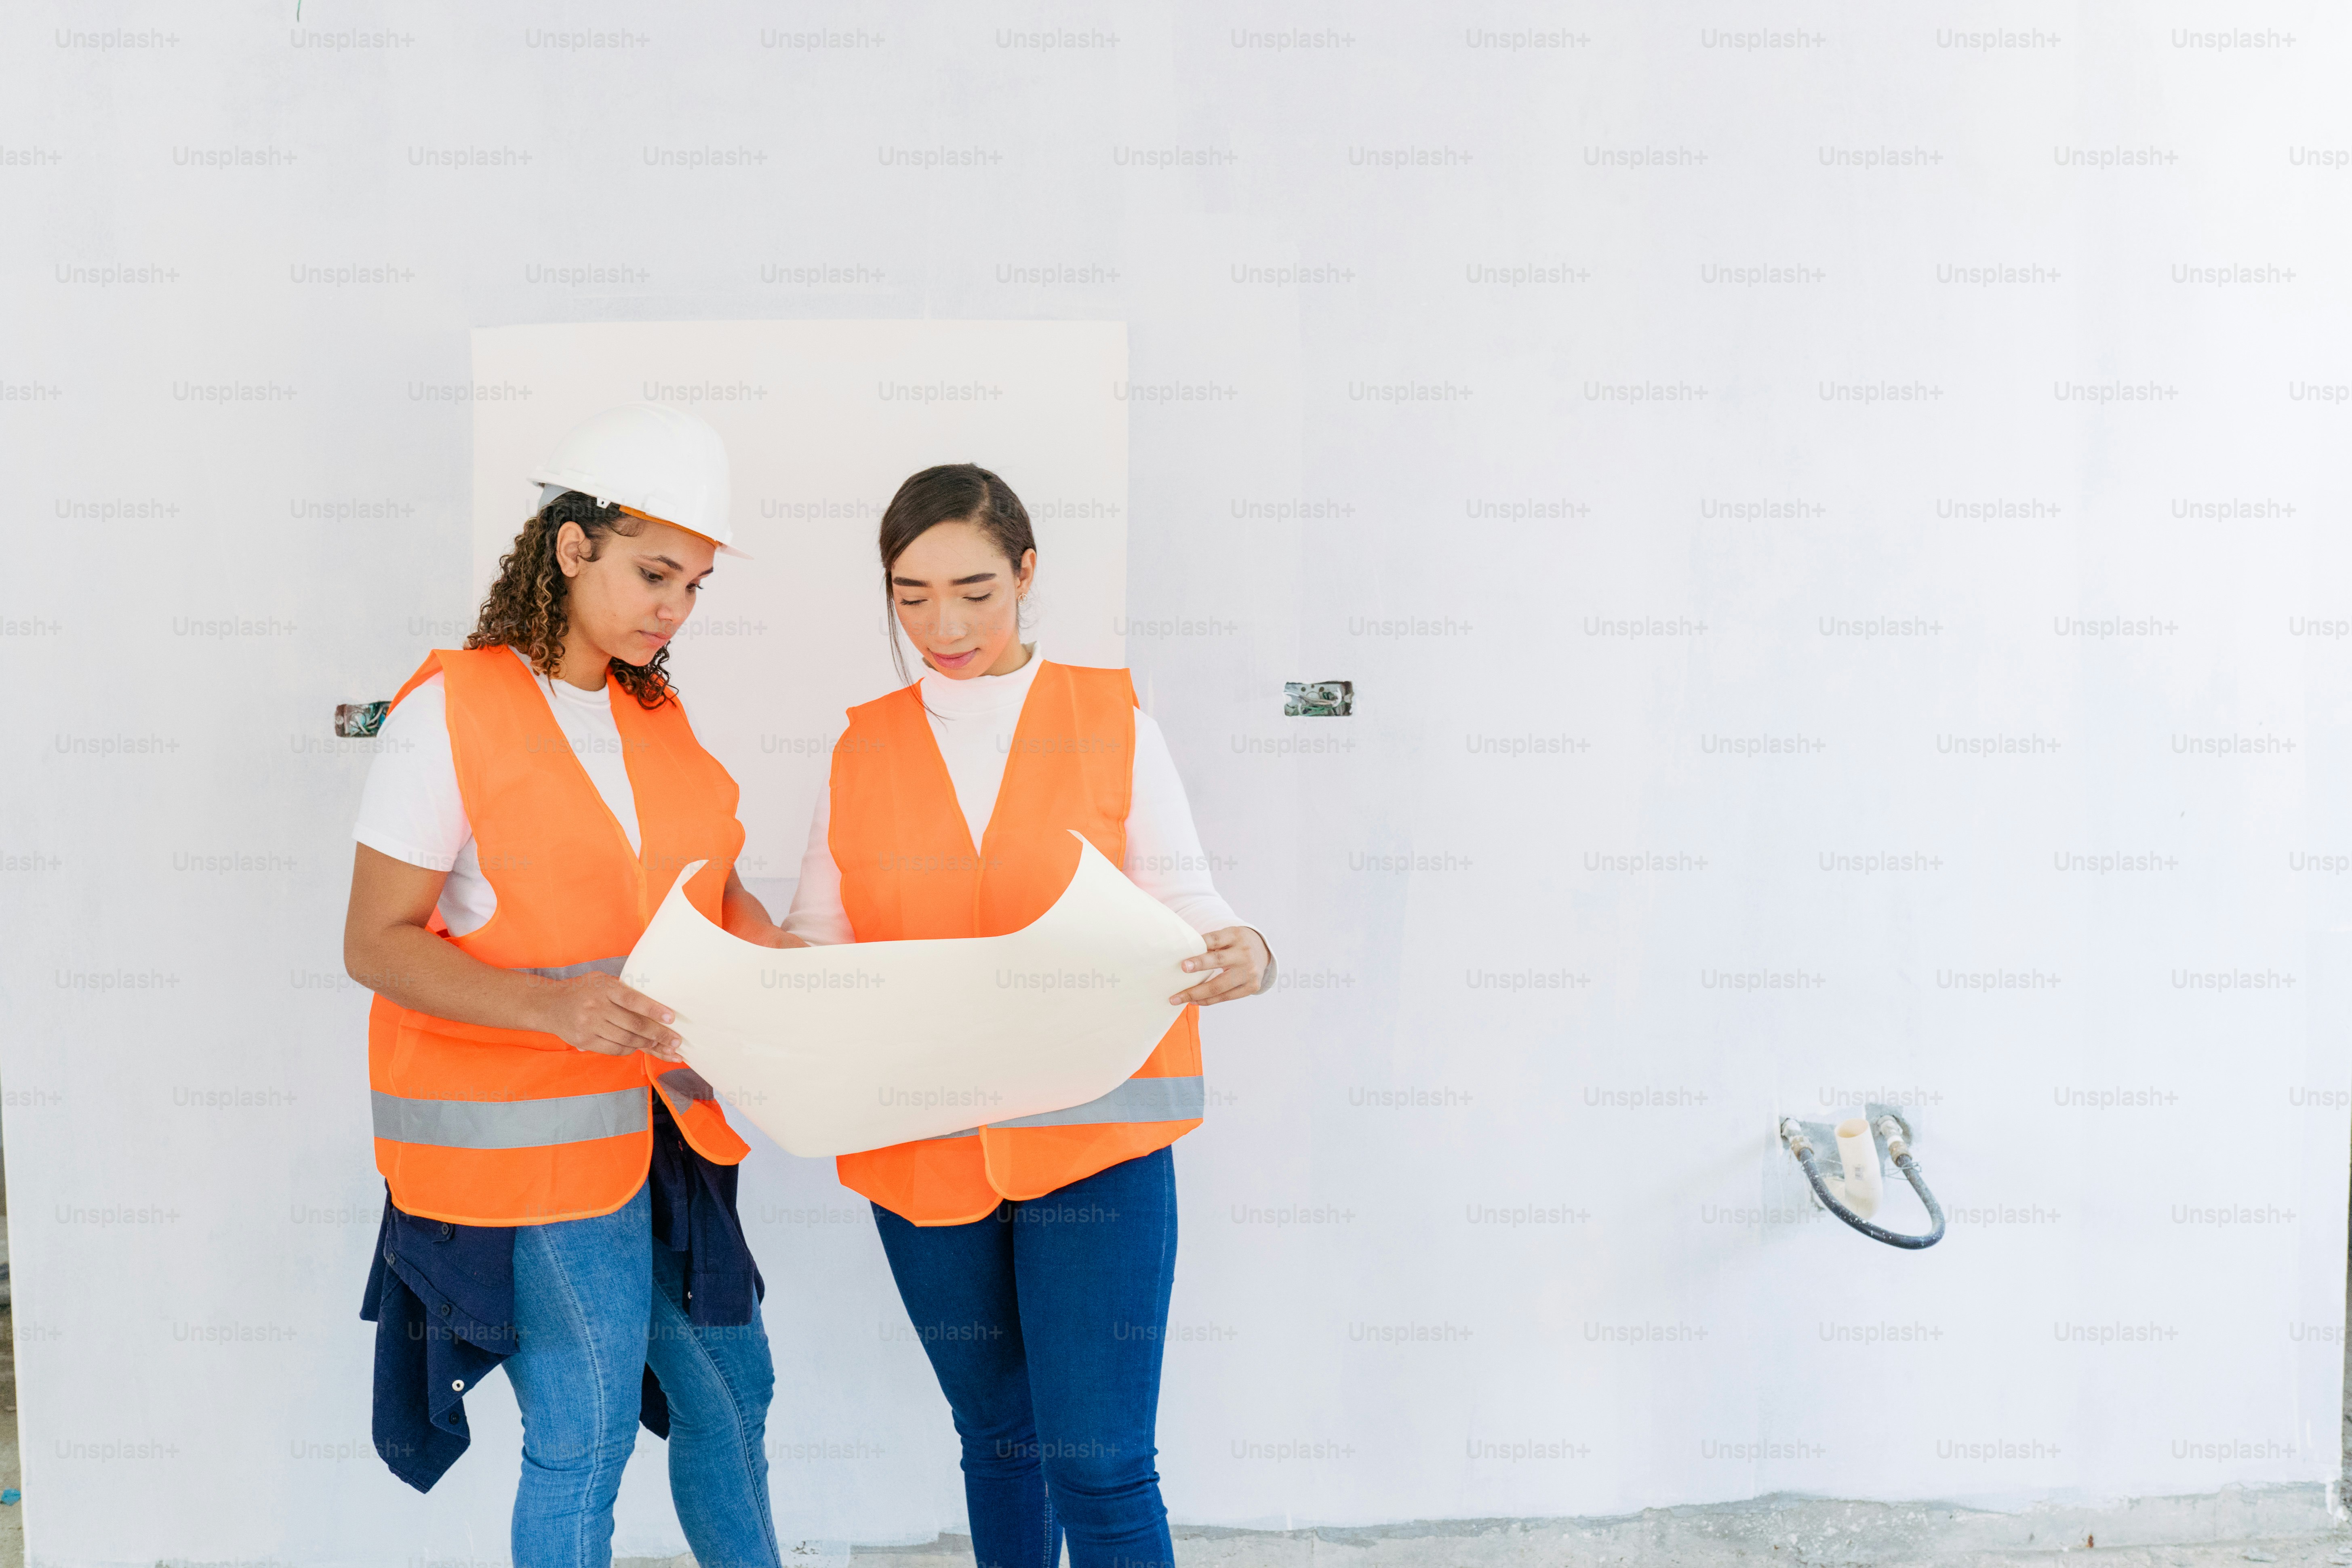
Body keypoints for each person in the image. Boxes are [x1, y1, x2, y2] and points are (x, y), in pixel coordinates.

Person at [783, 464, 1274, 1568]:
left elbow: (1191, 901)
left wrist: (1250, 949)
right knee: (1000, 1440)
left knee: (1099, 1459)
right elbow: (821, 936)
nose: (941, 625)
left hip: (1097, 1140)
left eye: (973, 590)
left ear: (1028, 574)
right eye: (910, 596)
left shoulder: (1111, 717)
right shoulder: (861, 745)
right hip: (923, 1149)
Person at [343, 404, 798, 1568]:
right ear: (570, 547)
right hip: (532, 1147)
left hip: (666, 1127)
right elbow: (377, 941)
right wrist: (559, 1009)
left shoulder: (655, 711)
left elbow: (715, 886)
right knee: (585, 1432)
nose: (674, 608)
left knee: (733, 1391)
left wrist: (794, 968)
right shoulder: (452, 709)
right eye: (656, 572)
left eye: (695, 585)